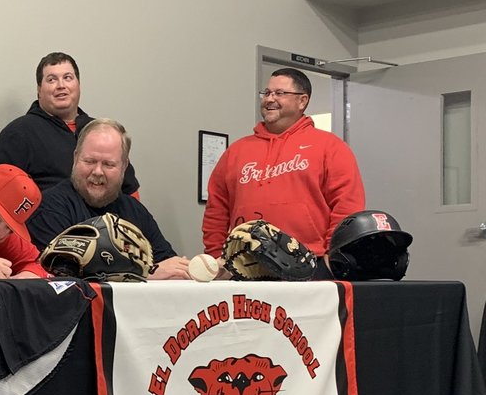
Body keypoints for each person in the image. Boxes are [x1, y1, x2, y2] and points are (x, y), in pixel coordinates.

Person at [201, 68, 365, 264]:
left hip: (311, 260)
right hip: (245, 261)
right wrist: (217, 256)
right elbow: (216, 209)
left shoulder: (331, 147)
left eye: (279, 93)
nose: (270, 99)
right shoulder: (236, 151)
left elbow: (347, 206)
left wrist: (334, 254)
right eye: (267, 93)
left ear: (302, 101)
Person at [27, 119, 190, 280]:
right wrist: (145, 274)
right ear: (75, 158)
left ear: (124, 166)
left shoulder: (135, 210)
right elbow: (60, 276)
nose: (97, 171)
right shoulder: (49, 208)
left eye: (108, 164)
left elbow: (168, 265)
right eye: (89, 161)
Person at [0, 51, 140, 195]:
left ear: (78, 85)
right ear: (39, 89)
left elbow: (130, 192)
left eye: (68, 78)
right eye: (51, 80)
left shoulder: (102, 133)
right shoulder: (19, 133)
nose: (61, 85)